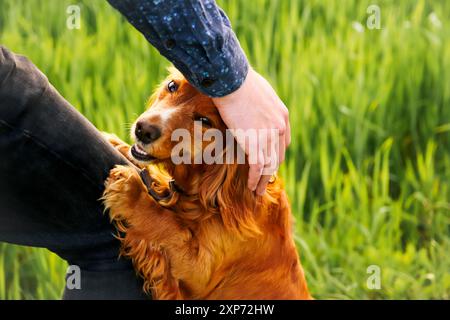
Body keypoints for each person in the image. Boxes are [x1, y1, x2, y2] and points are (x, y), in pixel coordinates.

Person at [0, 0, 290, 299]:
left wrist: (146, 209)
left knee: (113, 226)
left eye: (203, 121)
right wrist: (232, 81)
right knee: (111, 237)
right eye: (173, 88)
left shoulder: (241, 210)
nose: (153, 120)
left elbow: (195, 275)